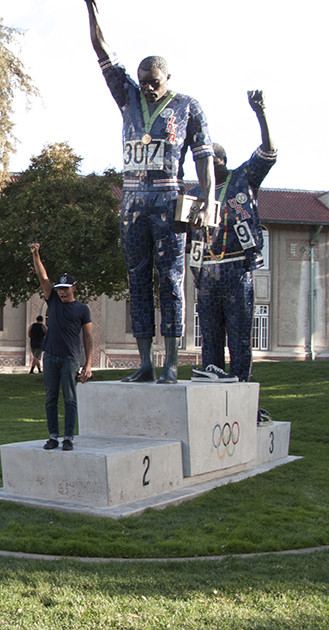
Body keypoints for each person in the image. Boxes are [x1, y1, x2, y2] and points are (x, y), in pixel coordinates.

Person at [84, 0, 216, 384]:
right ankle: (145, 362)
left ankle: (172, 362)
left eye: (154, 82)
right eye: (143, 81)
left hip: (169, 199)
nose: (147, 88)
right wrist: (93, 12)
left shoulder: (189, 107)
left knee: (171, 279)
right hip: (131, 202)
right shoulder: (127, 97)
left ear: (168, 77)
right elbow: (102, 50)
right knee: (137, 280)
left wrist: (208, 198)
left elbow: (204, 155)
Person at [188, 90, 277, 382]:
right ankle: (210, 382)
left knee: (239, 334)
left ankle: (241, 387)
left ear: (223, 160)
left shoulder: (243, 178)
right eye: (199, 161)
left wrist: (261, 113)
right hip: (208, 272)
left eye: (208, 159)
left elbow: (268, 152)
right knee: (210, 336)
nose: (204, 166)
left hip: (237, 268)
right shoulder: (194, 194)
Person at [29, 243, 92, 451]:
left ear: (73, 288)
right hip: (51, 356)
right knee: (50, 399)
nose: (62, 293)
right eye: (59, 289)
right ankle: (53, 436)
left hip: (70, 359)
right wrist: (36, 255)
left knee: (70, 399)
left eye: (65, 289)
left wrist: (88, 364)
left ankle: (68, 438)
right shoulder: (53, 301)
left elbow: (88, 337)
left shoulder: (83, 309)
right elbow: (42, 277)